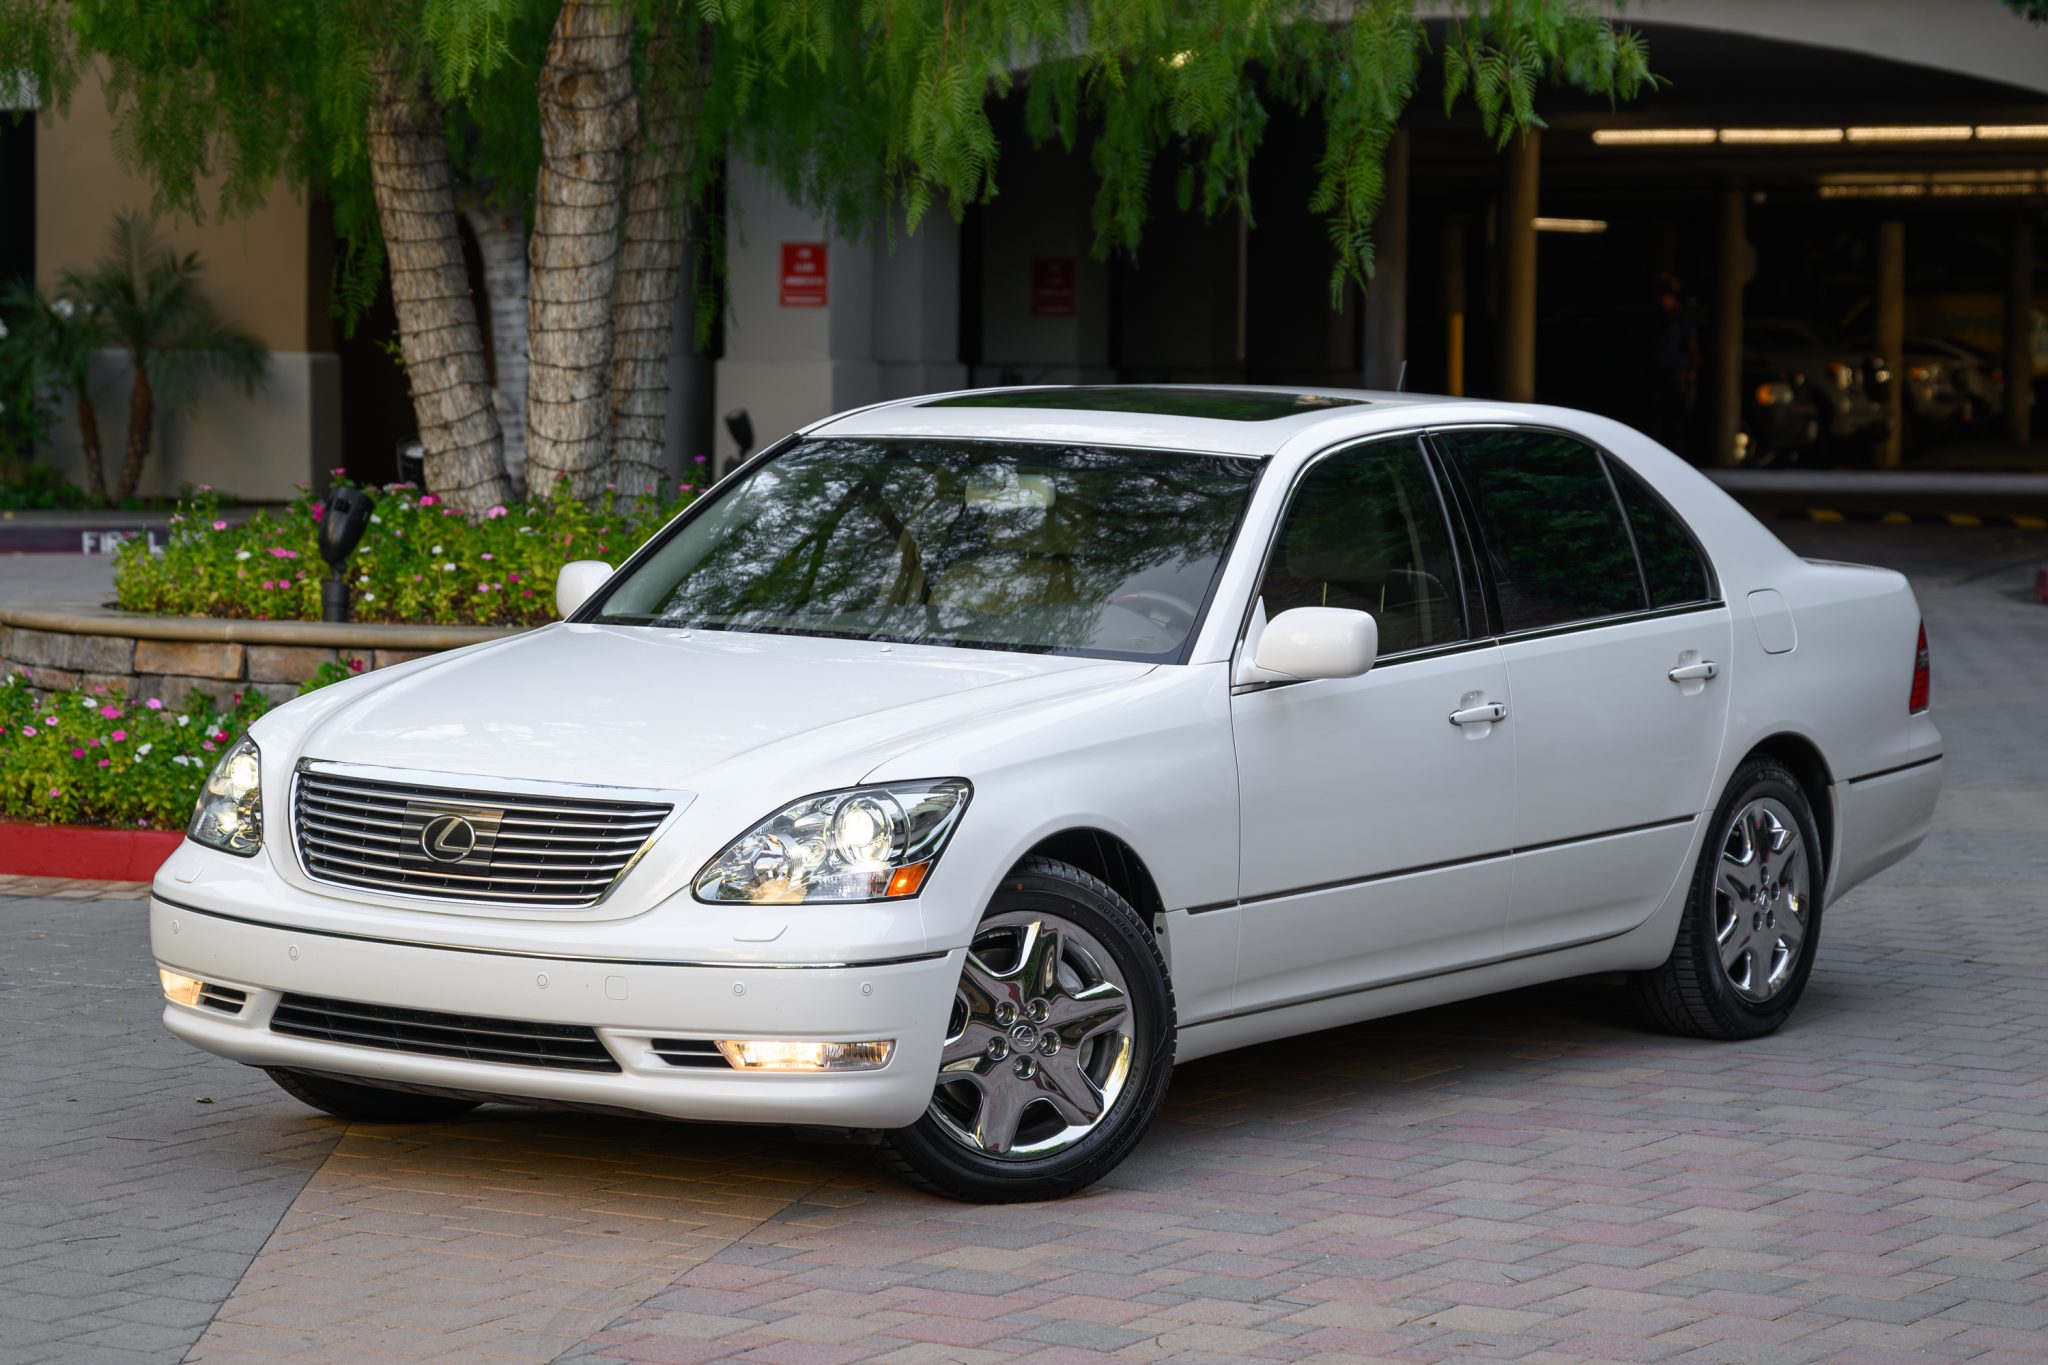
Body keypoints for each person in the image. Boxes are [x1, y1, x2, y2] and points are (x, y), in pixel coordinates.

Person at [1649, 274, 1699, 457]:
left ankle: (1677, 456)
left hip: (1676, 375)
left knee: (1675, 422)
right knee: (1657, 419)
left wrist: (1690, 372)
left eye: (1667, 297)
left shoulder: (1682, 320)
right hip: (1659, 374)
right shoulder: (1658, 319)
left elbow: (1693, 348)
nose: (1663, 300)